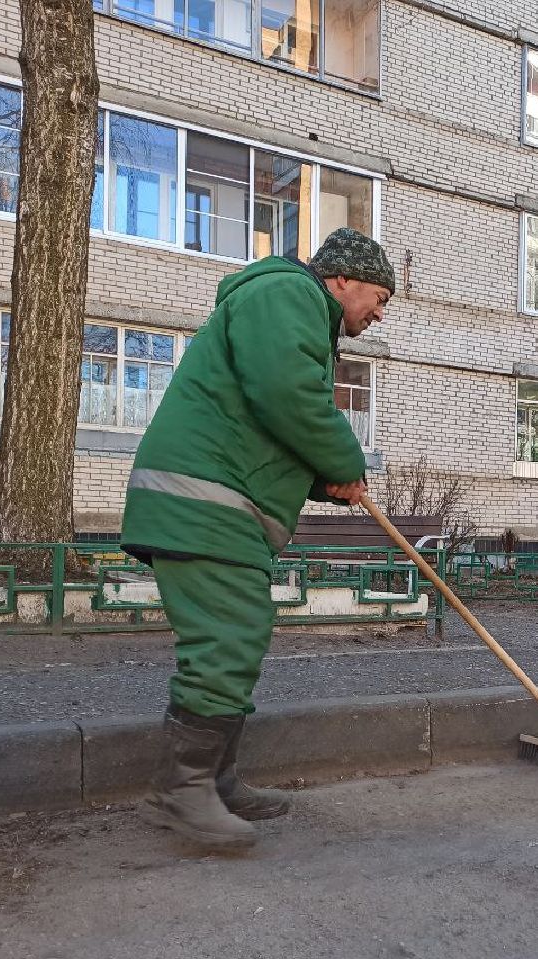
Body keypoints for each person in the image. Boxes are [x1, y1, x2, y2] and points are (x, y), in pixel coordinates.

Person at [120, 228, 394, 851]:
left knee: (238, 635)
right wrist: (344, 460)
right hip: (203, 502)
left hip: (219, 503)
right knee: (229, 636)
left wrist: (329, 482)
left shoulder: (298, 313)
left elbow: (269, 423)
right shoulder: (286, 293)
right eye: (379, 298)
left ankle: (211, 782)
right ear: (342, 279)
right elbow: (285, 393)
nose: (380, 313)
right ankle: (183, 792)